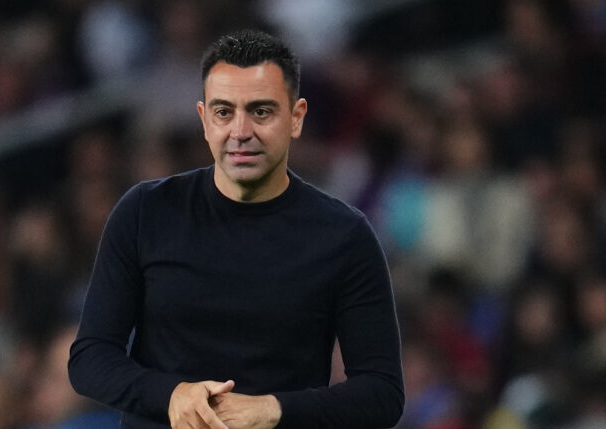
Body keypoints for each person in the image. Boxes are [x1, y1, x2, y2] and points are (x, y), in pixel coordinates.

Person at [68, 30, 404, 429]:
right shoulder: (145, 212)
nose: (240, 131)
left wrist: (274, 410)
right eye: (224, 112)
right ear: (204, 119)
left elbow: (382, 392)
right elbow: (90, 358)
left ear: (296, 118)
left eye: (261, 111)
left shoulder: (345, 236)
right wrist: (172, 395)